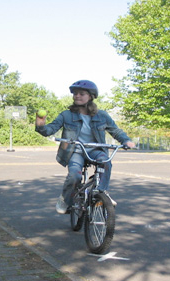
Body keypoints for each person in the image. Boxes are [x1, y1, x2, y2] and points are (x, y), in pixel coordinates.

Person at [35, 80, 135, 214]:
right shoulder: (67, 115)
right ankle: (65, 199)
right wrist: (41, 126)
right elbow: (50, 130)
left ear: (91, 96)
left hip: (95, 150)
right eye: (75, 94)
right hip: (74, 152)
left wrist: (126, 141)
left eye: (81, 94)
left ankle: (102, 192)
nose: (77, 96)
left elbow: (116, 131)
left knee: (106, 163)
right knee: (75, 176)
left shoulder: (102, 115)